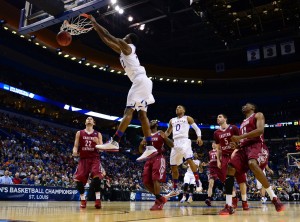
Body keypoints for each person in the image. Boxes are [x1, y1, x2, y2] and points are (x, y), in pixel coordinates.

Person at [86, 15, 157, 161]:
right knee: (142, 115)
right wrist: (96, 28)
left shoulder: (128, 48)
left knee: (128, 111)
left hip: (139, 80)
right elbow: (106, 40)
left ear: (128, 39)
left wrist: (95, 22)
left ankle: (115, 141)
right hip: (144, 82)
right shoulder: (124, 51)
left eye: (124, 37)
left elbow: (109, 35)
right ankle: (150, 146)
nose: (122, 38)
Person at [219, 103, 285, 215]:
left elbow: (260, 131)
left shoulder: (258, 115)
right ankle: (228, 205)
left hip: (257, 145)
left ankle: (274, 198)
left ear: (252, 108)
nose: (243, 106)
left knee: (252, 164)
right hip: (243, 149)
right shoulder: (242, 123)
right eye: (243, 105)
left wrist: (240, 137)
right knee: (230, 167)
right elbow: (242, 141)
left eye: (246, 105)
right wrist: (236, 145)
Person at [208, 114, 249, 210]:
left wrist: (235, 152)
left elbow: (241, 141)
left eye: (220, 116)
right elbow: (218, 148)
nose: (218, 118)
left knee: (241, 180)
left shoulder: (233, 128)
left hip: (236, 155)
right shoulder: (216, 133)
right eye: (217, 117)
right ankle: (233, 200)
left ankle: (244, 201)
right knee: (228, 181)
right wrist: (218, 160)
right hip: (225, 157)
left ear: (225, 119)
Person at [165, 105, 203, 197]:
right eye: (176, 107)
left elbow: (197, 129)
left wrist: (199, 137)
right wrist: (162, 136)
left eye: (180, 107)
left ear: (184, 110)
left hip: (185, 141)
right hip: (175, 143)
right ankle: (175, 189)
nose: (177, 108)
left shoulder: (187, 118)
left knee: (189, 160)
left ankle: (197, 181)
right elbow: (168, 132)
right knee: (173, 167)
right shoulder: (172, 120)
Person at [139, 120, 174, 210]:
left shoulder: (160, 133)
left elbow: (172, 145)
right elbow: (140, 151)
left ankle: (158, 202)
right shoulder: (146, 135)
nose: (151, 121)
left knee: (155, 179)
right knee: (146, 182)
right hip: (149, 158)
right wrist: (141, 145)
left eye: (153, 121)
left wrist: (165, 138)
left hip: (158, 157)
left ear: (157, 124)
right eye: (150, 121)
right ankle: (160, 198)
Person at [73, 116, 103, 209]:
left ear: (94, 123)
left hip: (94, 158)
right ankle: (83, 199)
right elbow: (75, 145)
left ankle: (98, 200)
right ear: (85, 122)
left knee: (97, 177)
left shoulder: (98, 134)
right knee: (78, 181)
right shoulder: (79, 133)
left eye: (91, 119)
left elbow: (101, 149)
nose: (89, 119)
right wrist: (74, 151)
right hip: (83, 159)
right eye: (87, 118)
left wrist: (97, 142)